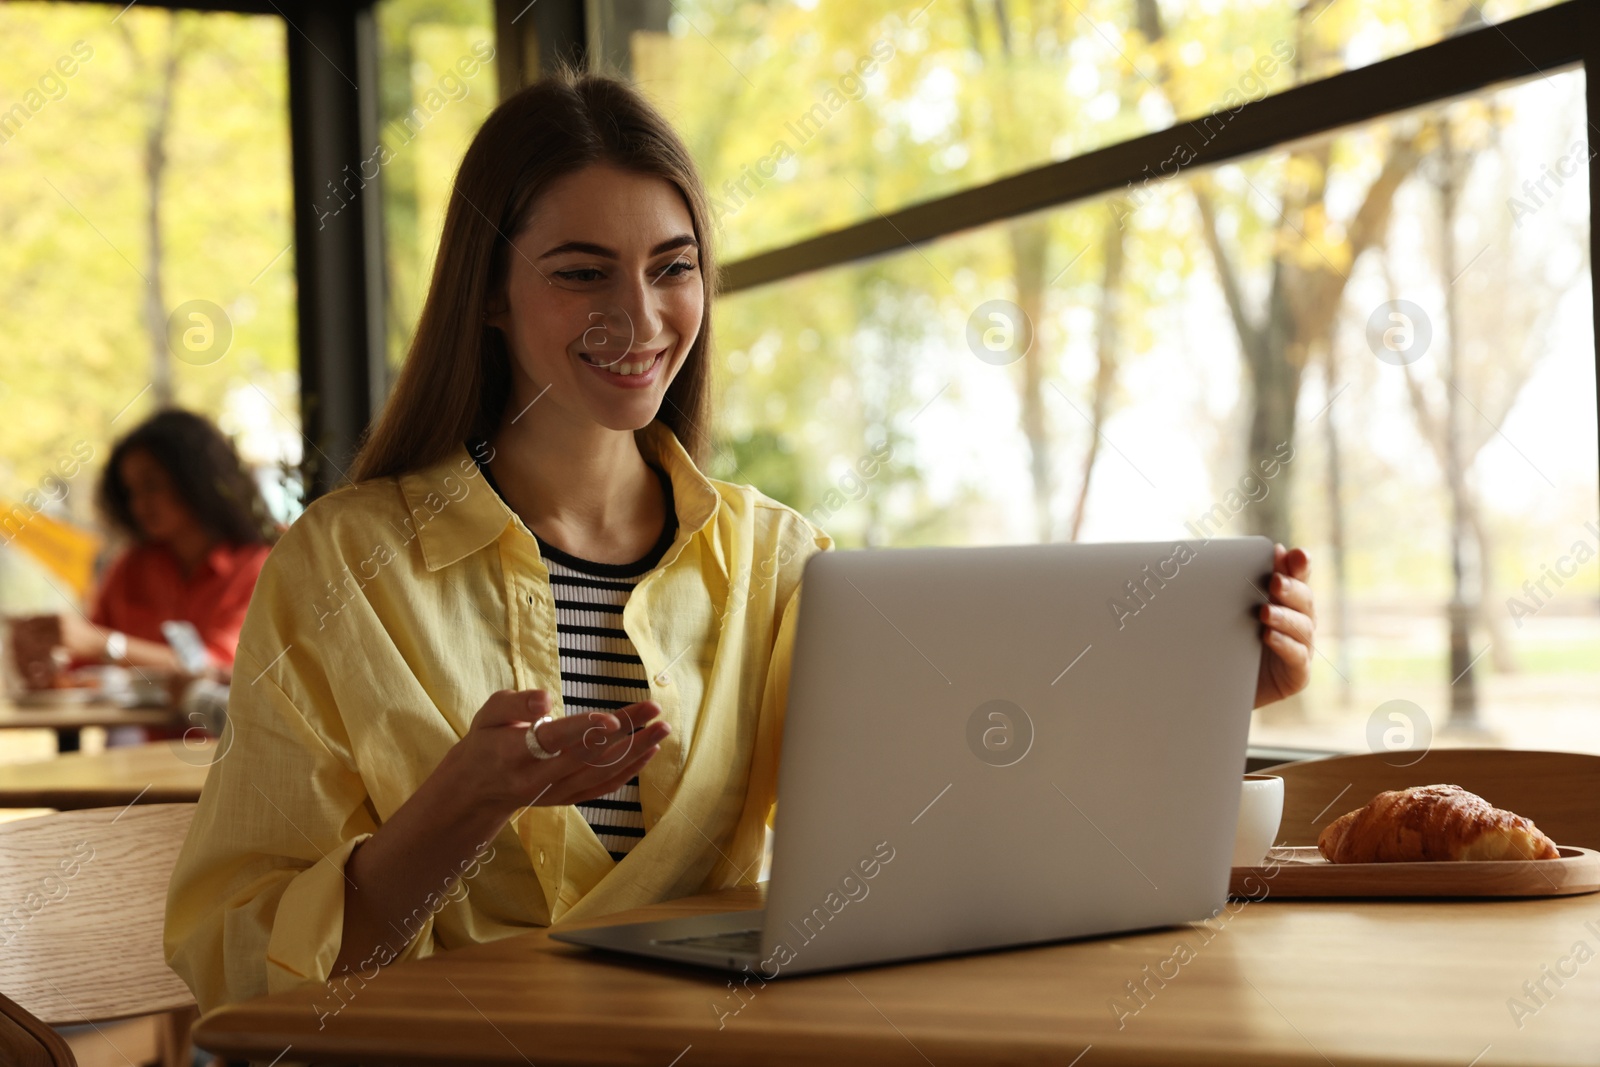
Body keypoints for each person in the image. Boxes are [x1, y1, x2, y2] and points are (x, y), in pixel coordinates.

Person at [163, 68, 1318, 1016]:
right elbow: (234, 960)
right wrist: (457, 806)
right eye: (580, 274)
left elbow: (955, 814)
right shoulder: (341, 563)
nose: (640, 317)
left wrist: (1203, 697)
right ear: (493, 297)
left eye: (673, 268)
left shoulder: (777, 560)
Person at [9, 410, 276, 742]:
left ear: (194, 479)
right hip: (151, 761)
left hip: (233, 760)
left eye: (151, 485)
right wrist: (44, 664)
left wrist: (106, 645)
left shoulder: (261, 564)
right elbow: (81, 670)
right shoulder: (132, 566)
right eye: (131, 490)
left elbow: (219, 670)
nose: (138, 504)